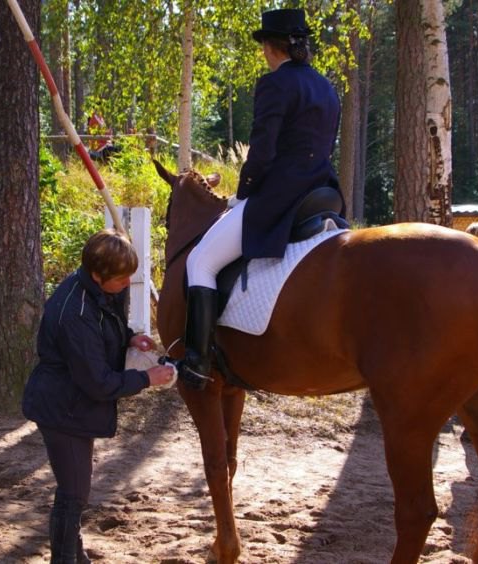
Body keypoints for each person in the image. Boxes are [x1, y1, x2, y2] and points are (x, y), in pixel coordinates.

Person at [177, 8, 344, 390]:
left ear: (270, 47)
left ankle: (199, 363)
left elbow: (264, 152)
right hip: (323, 194)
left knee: (201, 261)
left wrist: (243, 193)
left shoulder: (275, 84)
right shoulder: (326, 87)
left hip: (282, 194)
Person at [22, 228, 175, 563]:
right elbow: (99, 382)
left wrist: (131, 338)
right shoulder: (74, 312)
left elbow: (106, 328)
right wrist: (147, 378)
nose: (126, 285)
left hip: (77, 404)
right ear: (97, 274)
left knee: (76, 491)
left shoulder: (100, 292)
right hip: (62, 408)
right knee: (72, 494)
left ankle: (75, 556)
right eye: (121, 280)